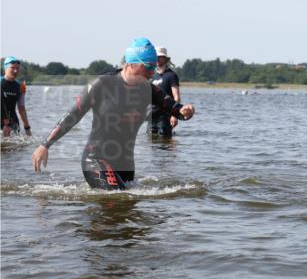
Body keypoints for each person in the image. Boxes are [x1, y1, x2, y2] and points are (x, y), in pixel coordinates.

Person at [32, 39, 196, 189]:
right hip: (96, 158)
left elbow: (175, 108)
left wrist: (185, 111)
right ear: (132, 63)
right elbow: (73, 115)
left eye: (155, 67)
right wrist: (45, 145)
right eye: (149, 67)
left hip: (126, 163)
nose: (153, 72)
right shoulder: (102, 84)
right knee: (116, 198)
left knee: (127, 212)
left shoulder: (149, 89)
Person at [150, 46, 181, 137]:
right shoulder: (152, 75)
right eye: (156, 57)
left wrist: (175, 115)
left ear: (166, 59)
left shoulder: (171, 75)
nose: (158, 59)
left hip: (165, 115)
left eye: (160, 57)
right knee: (151, 141)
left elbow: (177, 97)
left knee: (164, 140)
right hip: (151, 115)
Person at [1, 56, 31, 137]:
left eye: (17, 68)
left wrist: (27, 128)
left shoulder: (20, 86)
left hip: (13, 121)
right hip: (2, 119)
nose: (15, 70)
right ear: (5, 68)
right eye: (12, 68)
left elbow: (21, 109)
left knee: (14, 148)